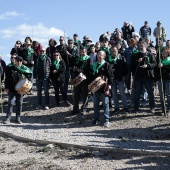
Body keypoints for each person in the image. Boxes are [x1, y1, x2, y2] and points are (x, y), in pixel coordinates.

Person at [3, 56, 32, 124]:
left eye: (20, 61)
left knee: (19, 103)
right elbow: (7, 79)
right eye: (17, 61)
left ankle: (18, 118)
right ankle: (8, 118)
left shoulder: (25, 69)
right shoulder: (10, 68)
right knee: (11, 103)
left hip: (21, 89)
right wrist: (6, 88)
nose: (19, 62)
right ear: (15, 61)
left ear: (22, 62)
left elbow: (28, 79)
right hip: (12, 88)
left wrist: (28, 89)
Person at [131, 41, 157, 113]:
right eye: (140, 46)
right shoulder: (136, 55)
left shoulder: (150, 54)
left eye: (142, 46)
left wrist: (148, 66)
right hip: (138, 76)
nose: (141, 47)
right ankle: (136, 107)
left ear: (145, 46)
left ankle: (152, 107)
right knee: (137, 92)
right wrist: (137, 61)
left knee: (150, 92)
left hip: (148, 76)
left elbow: (154, 63)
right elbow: (132, 65)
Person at [90, 50, 112, 127]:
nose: (99, 56)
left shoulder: (107, 65)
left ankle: (106, 120)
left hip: (104, 87)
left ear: (104, 56)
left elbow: (110, 76)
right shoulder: (94, 65)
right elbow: (92, 77)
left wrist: (109, 85)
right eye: (98, 54)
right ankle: (96, 119)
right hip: (96, 88)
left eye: (101, 55)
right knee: (96, 104)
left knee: (105, 104)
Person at [109, 47, 128, 114]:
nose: (113, 52)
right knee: (114, 94)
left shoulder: (122, 58)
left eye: (115, 51)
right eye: (112, 51)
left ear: (117, 51)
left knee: (122, 93)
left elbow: (125, 68)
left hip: (120, 78)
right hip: (112, 79)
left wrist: (124, 76)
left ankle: (125, 107)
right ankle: (116, 108)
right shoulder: (109, 59)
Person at [72, 48, 91, 114]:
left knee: (84, 94)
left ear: (86, 52)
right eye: (81, 52)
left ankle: (84, 108)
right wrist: (75, 69)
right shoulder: (78, 59)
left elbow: (90, 69)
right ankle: (75, 108)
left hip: (85, 79)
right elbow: (74, 67)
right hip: (77, 79)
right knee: (76, 94)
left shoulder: (88, 59)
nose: (82, 53)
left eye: (83, 52)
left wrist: (83, 70)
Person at [155, 47, 170, 115]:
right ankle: (163, 109)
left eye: (165, 52)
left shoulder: (169, 60)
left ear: (168, 53)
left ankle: (169, 109)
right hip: (160, 79)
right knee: (162, 95)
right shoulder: (159, 60)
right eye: (162, 52)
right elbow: (156, 70)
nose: (163, 53)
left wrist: (163, 66)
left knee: (168, 95)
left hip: (168, 80)